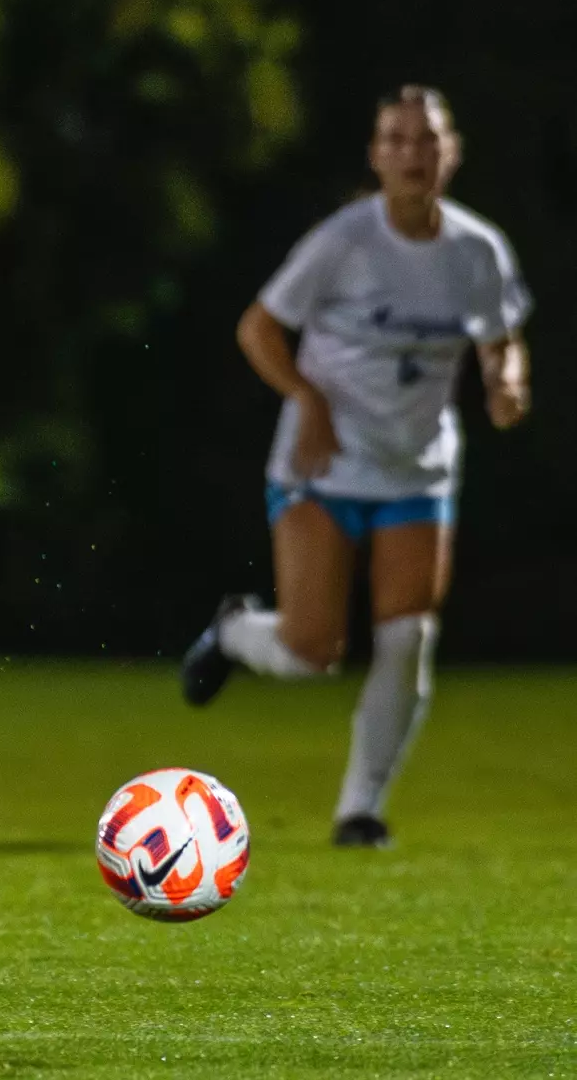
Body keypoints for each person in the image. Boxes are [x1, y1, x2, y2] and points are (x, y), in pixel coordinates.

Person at [180, 85, 533, 848]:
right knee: (313, 654)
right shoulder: (343, 243)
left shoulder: (478, 249)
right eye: (397, 139)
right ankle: (236, 631)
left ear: (452, 153)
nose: (413, 153)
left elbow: (501, 336)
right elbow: (258, 330)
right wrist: (306, 397)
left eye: (427, 140)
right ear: (376, 156)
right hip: (325, 463)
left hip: (417, 469)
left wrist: (507, 381)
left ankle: (359, 810)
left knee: (409, 639)